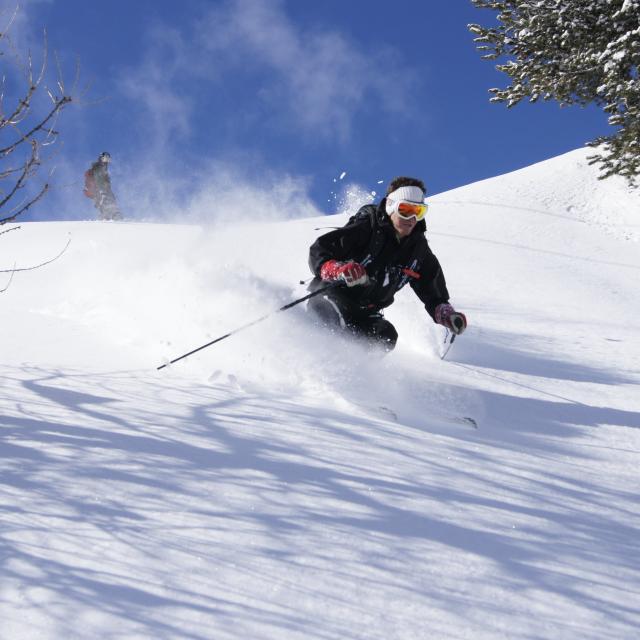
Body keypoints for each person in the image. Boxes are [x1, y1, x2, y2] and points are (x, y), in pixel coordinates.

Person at [307, 176, 467, 352]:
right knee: (327, 317)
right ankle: (310, 361)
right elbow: (320, 249)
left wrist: (446, 314)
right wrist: (338, 269)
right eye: (405, 209)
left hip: (365, 313)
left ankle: (352, 373)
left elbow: (433, 290)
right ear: (391, 206)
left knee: (386, 336)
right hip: (332, 297)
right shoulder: (368, 226)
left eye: (419, 212)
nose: (412, 218)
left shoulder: (418, 250)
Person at [83, 152, 123, 221]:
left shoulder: (102, 169)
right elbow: (99, 181)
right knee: (109, 204)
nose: (107, 161)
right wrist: (102, 192)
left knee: (105, 207)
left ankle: (105, 218)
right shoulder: (98, 168)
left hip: (99, 193)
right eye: (105, 159)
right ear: (101, 159)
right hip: (101, 192)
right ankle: (115, 216)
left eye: (108, 159)